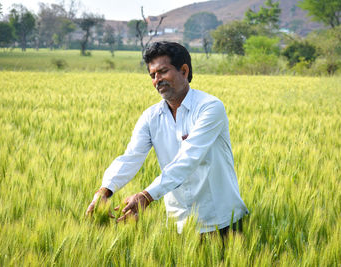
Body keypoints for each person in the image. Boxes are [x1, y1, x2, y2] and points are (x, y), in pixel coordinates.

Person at [86, 41, 249, 235]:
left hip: (221, 220)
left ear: (184, 70)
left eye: (163, 71)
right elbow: (130, 157)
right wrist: (104, 191)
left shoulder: (210, 107)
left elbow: (188, 159)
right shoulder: (151, 117)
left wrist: (146, 196)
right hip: (178, 223)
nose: (157, 80)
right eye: (153, 75)